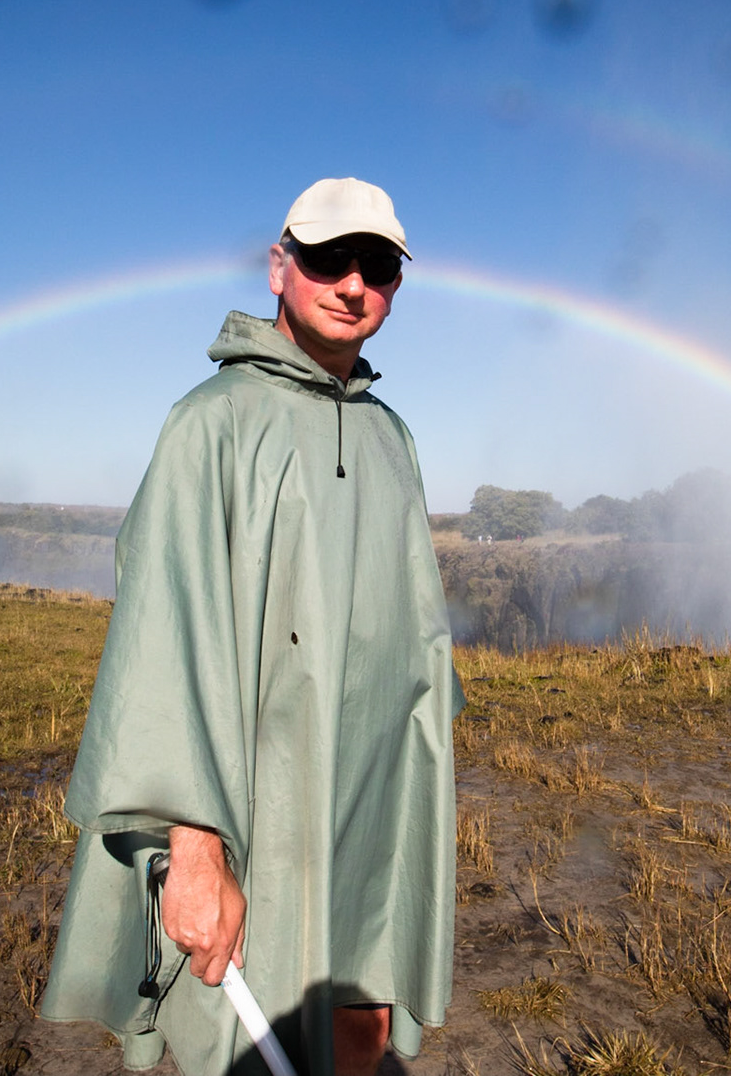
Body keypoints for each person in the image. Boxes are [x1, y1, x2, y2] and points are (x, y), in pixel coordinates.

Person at [39, 178, 461, 1076]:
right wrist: (192, 850)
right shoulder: (211, 426)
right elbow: (165, 640)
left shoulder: (393, 437)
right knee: (235, 1035)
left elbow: (417, 641)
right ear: (281, 266)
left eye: (378, 266)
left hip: (375, 809)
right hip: (255, 809)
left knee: (361, 1018)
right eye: (327, 258)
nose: (353, 284)